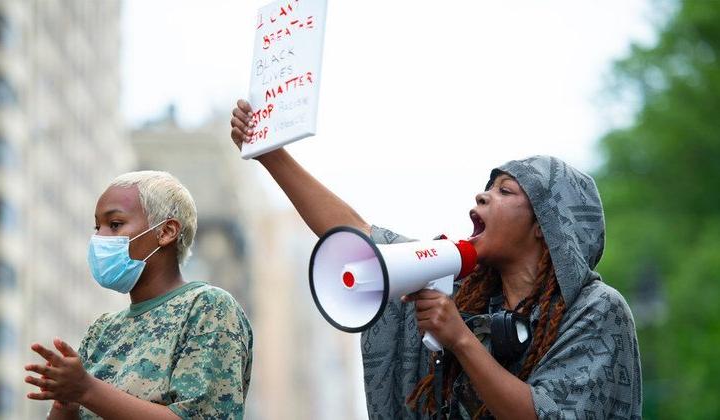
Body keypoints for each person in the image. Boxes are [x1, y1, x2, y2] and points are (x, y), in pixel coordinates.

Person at [230, 100, 641, 419]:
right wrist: (270, 155)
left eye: (505, 191)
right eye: (487, 188)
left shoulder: (597, 310)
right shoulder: (462, 289)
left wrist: (459, 338)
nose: (482, 196)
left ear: (545, 225)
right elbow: (358, 236)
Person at [24, 171, 253, 420]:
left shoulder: (207, 307)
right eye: (97, 227)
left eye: (114, 225)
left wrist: (87, 389)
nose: (99, 238)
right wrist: (65, 403)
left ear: (166, 231)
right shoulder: (102, 330)